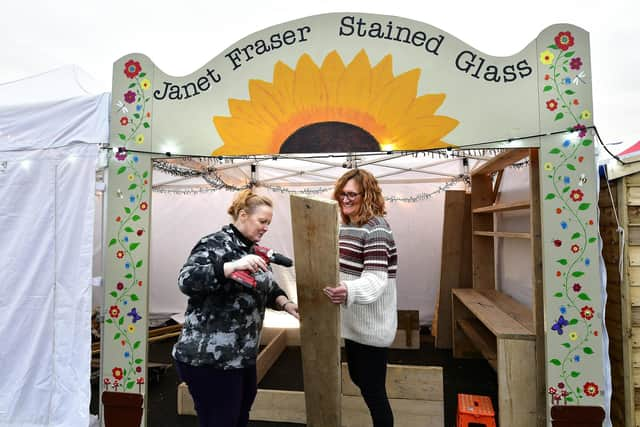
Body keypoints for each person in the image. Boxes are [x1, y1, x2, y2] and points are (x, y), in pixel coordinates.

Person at [172, 189, 299, 427]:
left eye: (268, 223)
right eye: (262, 221)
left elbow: (268, 287)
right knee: (220, 421)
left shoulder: (252, 248)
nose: (265, 228)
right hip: (210, 359)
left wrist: (286, 303)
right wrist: (229, 267)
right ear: (242, 215)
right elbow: (186, 280)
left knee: (238, 418)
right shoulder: (214, 244)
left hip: (241, 357)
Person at [323, 169, 398, 427]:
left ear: (368, 196)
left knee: (374, 393)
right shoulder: (349, 227)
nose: (345, 199)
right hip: (352, 324)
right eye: (342, 194)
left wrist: (349, 291)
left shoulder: (377, 229)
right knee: (360, 379)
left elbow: (377, 280)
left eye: (352, 194)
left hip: (371, 328)